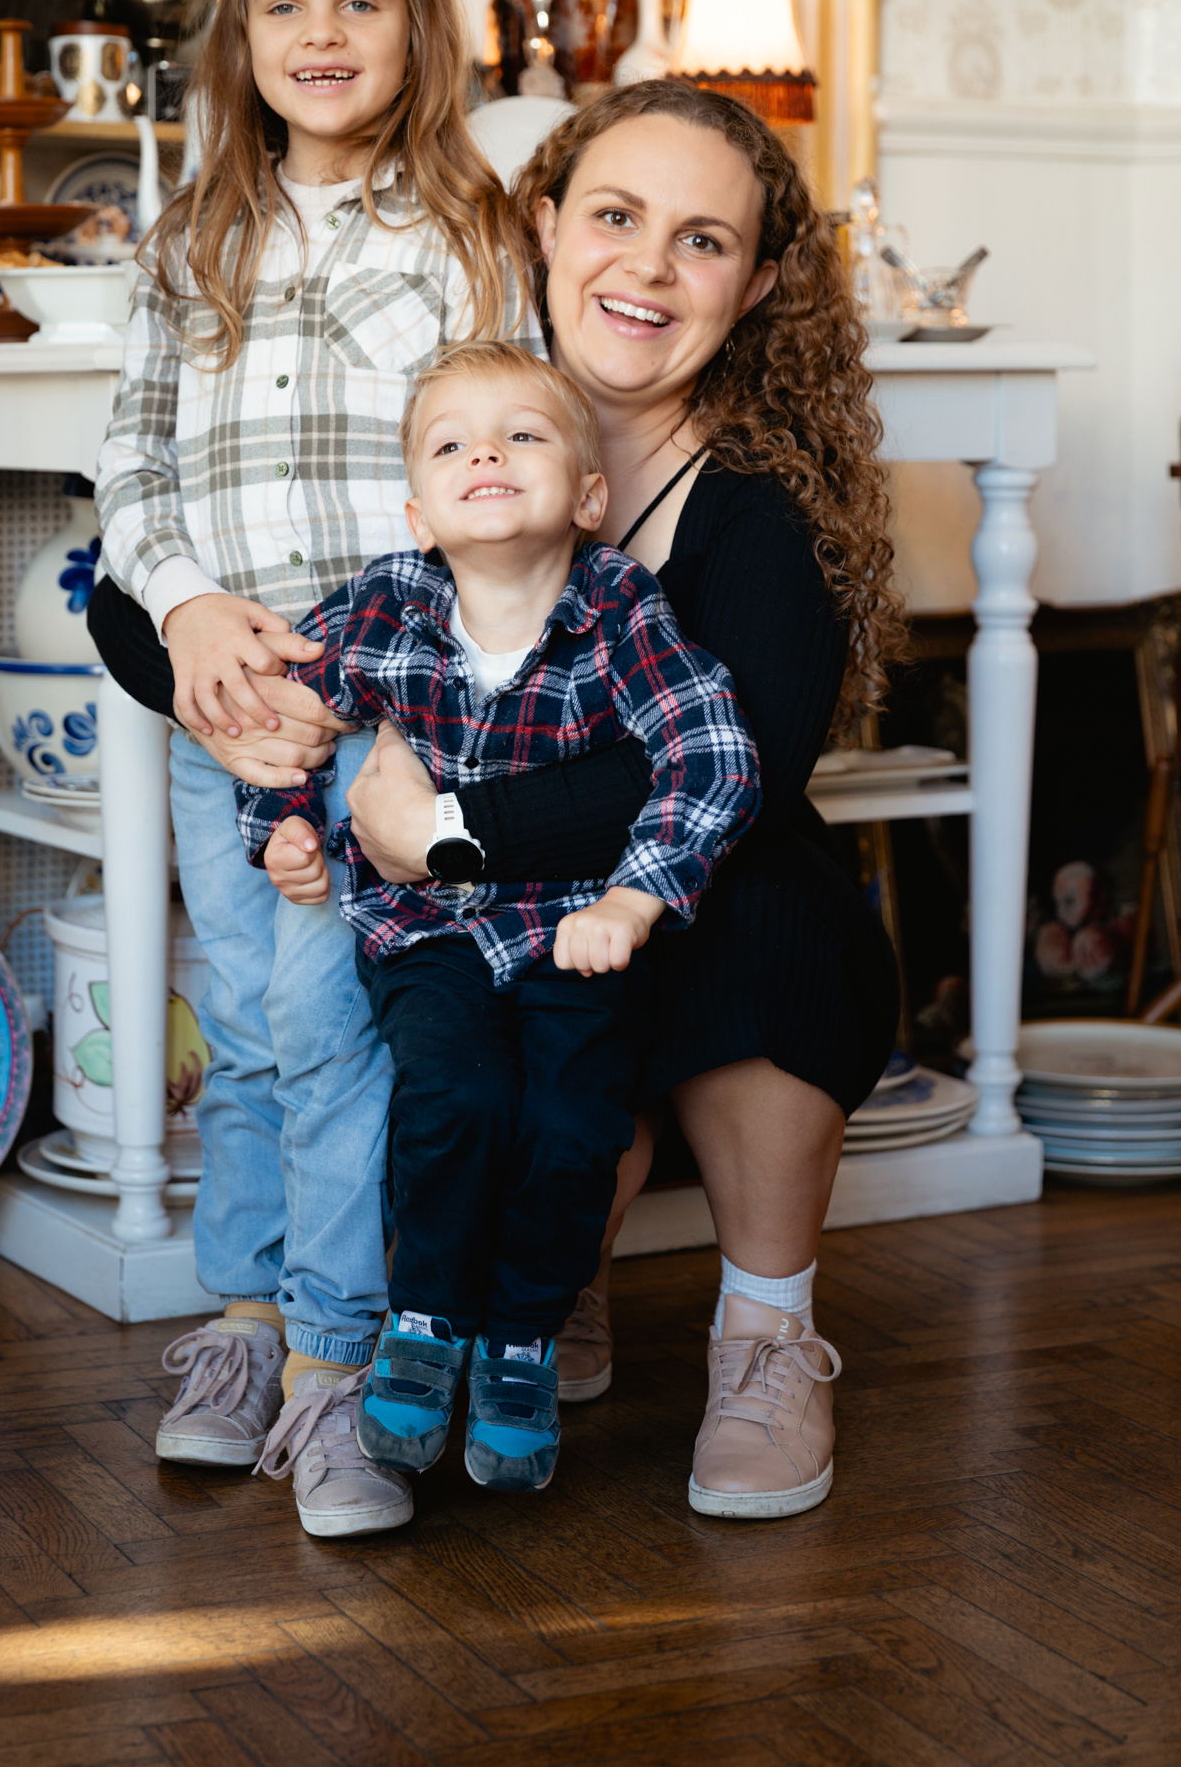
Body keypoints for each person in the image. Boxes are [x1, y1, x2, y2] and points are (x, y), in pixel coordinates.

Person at [91, 80, 905, 1522]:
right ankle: (516, 1291)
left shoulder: (754, 502)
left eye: (703, 240)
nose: (648, 266)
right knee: (410, 1038)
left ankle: (766, 1335)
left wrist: (446, 830)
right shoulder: (452, 416)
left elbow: (741, 765)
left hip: (664, 887)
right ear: (542, 226)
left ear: (761, 283)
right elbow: (169, 583)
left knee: (765, 927)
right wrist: (225, 679)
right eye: (615, 216)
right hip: (462, 908)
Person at [90, 0, 535, 1540]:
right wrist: (190, 613)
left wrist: (366, 691)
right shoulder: (188, 236)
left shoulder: (470, 237)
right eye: (283, 3)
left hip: (375, 727)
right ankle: (246, 1315)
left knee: (342, 1033)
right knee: (251, 1028)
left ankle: (337, 1359)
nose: (321, 32)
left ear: (416, 30)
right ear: (240, 36)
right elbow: (132, 461)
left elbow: (496, 484)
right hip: (221, 710)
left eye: (359, 1)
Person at [238, 339, 758, 1499]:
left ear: (587, 495)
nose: (487, 453)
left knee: (573, 1123)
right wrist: (282, 827)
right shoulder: (386, 603)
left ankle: (522, 1335)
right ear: (419, 512)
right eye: (452, 443)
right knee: (456, 1099)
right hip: (426, 929)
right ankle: (425, 1320)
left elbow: (712, 749)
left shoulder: (618, 606)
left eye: (521, 435)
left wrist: (634, 895)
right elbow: (284, 716)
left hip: (577, 924)